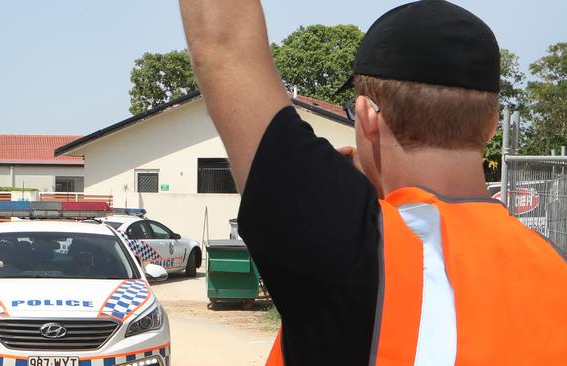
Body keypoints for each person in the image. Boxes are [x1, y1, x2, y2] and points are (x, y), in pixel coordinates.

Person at [179, 0, 567, 365]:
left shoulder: (350, 240)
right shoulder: (554, 267)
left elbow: (224, 44)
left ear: (365, 115)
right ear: (492, 123)